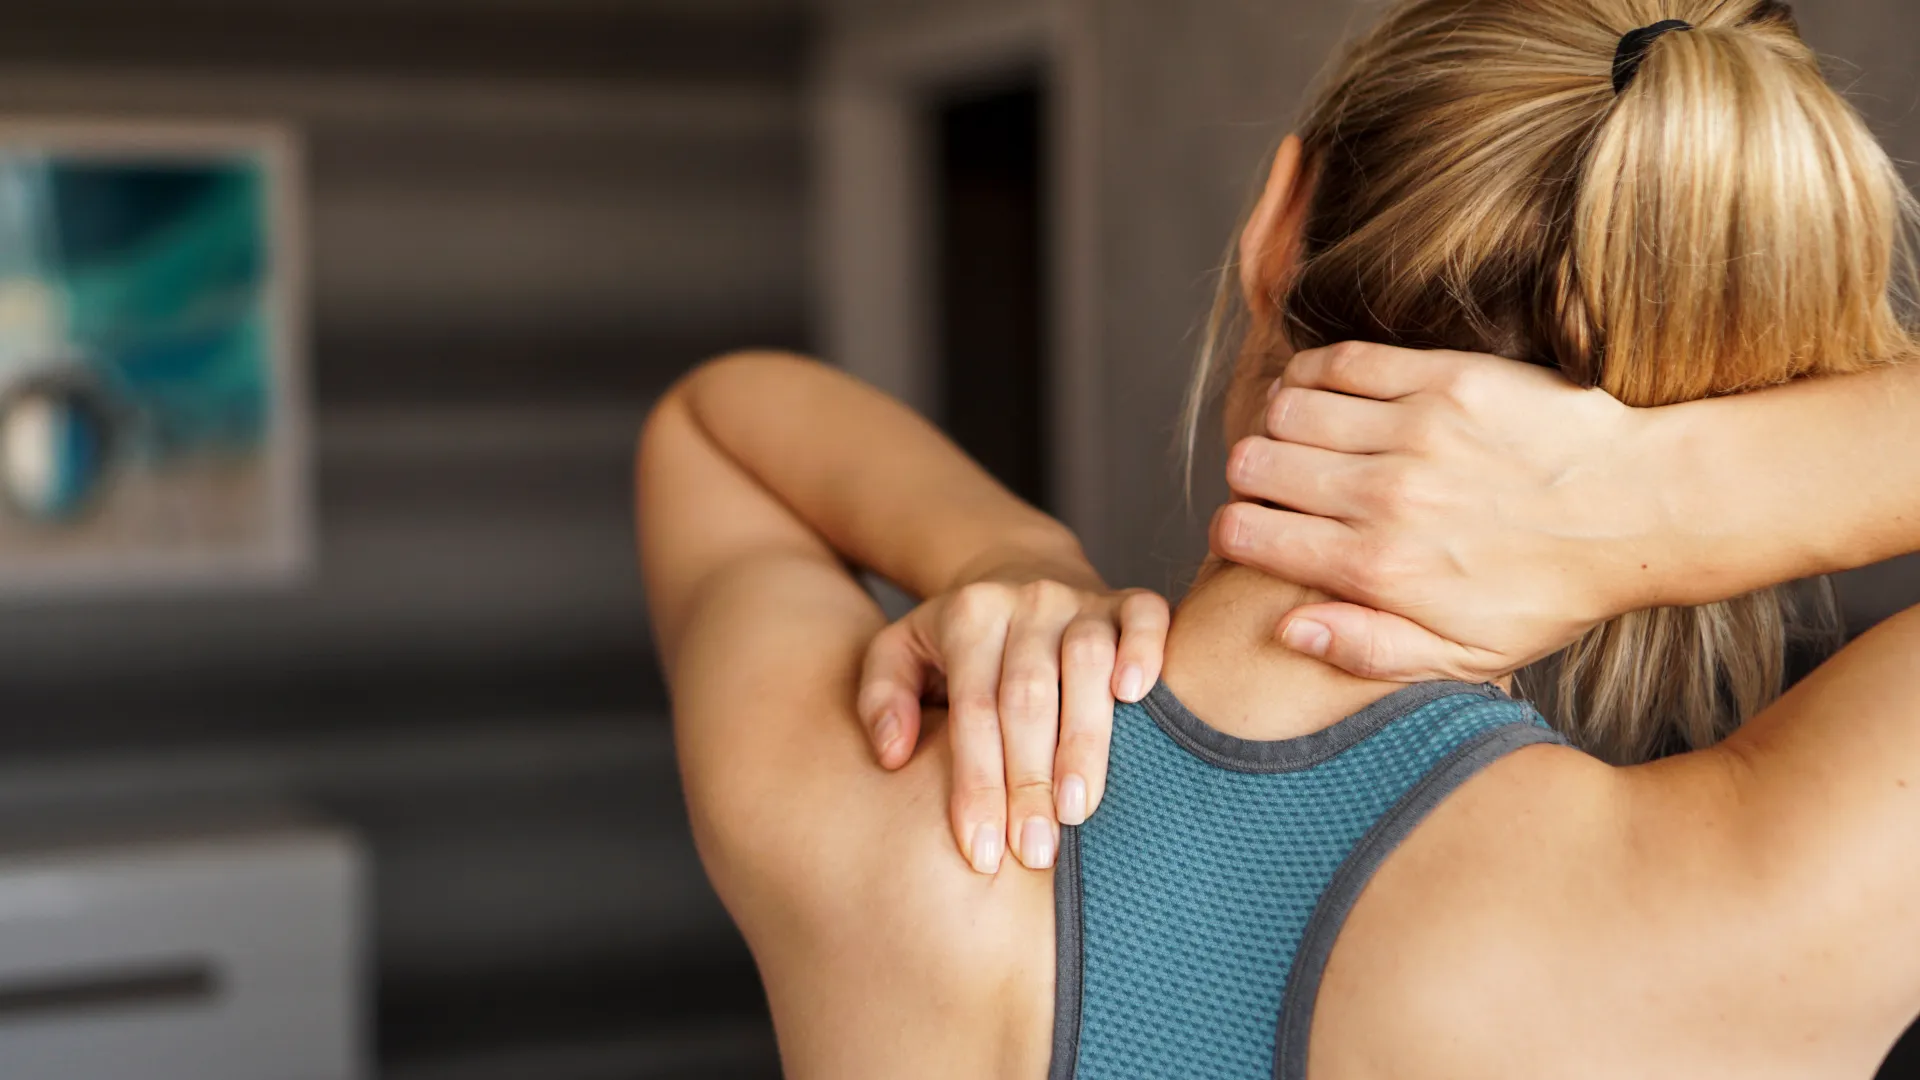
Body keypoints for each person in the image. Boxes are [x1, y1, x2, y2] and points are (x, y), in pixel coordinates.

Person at [637, 1, 1920, 1076]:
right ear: (1725, 374)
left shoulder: (889, 808)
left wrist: (1000, 553)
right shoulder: (1740, 909)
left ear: (1278, 223)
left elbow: (716, 422)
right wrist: (1666, 498)